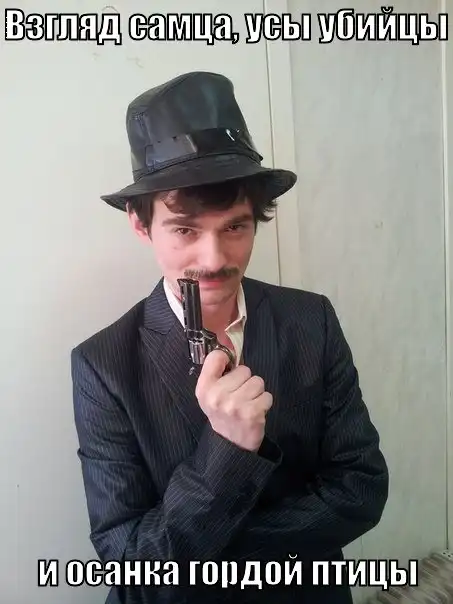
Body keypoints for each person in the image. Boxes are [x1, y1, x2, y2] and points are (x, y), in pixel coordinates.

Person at [71, 71, 389, 604]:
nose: (215, 259)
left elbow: (361, 488)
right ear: (140, 223)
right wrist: (226, 450)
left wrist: (219, 552)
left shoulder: (311, 319)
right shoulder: (102, 364)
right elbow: (129, 562)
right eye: (185, 229)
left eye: (235, 227)